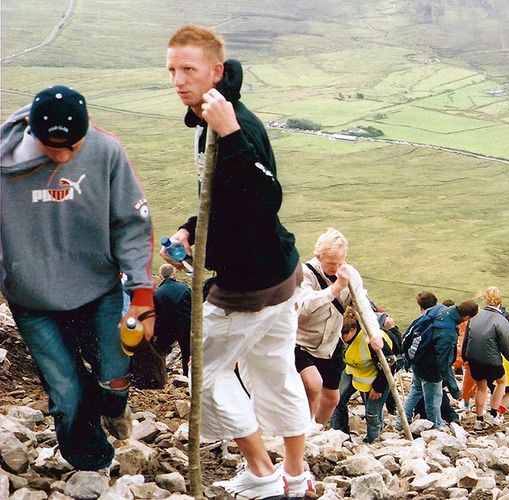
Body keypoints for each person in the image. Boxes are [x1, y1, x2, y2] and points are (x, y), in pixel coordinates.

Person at [163, 25, 313, 498]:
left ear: (216, 71)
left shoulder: (235, 125)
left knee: (204, 376)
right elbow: (223, 201)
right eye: (172, 70)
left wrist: (229, 135)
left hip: (248, 285)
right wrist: (191, 228)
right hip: (280, 272)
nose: (178, 80)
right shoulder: (211, 118)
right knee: (274, 370)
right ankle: (294, 474)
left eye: (189, 69)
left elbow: (265, 196)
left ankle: (263, 473)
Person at [0, 86, 155, 470]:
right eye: (55, 149)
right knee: (66, 394)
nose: (66, 156)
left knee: (114, 376)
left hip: (100, 288)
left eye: (74, 146)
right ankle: (91, 465)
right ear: (33, 133)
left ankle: (112, 405)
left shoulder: (106, 151)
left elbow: (132, 225)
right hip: (32, 300)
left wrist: (141, 293)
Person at [295, 228, 380, 428]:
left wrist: (373, 334)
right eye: (331, 263)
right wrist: (335, 288)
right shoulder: (304, 272)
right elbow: (305, 305)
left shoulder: (351, 275)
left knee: (332, 398)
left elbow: (363, 306)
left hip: (330, 343)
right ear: (319, 256)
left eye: (340, 262)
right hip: (300, 340)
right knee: (312, 384)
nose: (336, 268)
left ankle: (318, 429)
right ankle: (302, 430)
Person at [400, 292, 478, 429]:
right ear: (466, 317)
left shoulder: (438, 309)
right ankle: (436, 428)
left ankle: (401, 422)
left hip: (418, 360)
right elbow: (443, 363)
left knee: (415, 391)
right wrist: (454, 390)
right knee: (433, 401)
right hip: (431, 368)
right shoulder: (448, 332)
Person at [330, 307, 394, 442]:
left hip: (376, 375)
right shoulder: (341, 338)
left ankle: (373, 440)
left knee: (371, 412)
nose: (342, 338)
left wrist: (378, 388)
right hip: (353, 370)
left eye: (344, 334)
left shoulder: (370, 340)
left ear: (353, 329)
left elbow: (389, 364)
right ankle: (338, 435)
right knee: (336, 401)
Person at [462, 287, 509, 430]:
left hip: (474, 358)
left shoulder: (474, 318)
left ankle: (479, 419)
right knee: (502, 381)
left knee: (481, 387)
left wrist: (466, 357)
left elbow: (466, 340)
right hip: (492, 359)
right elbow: (505, 345)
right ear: (500, 301)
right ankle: (493, 413)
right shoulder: (501, 320)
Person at [153, 264, 192, 375]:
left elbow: (155, 314)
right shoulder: (185, 288)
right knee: (186, 353)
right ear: (174, 275)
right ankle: (186, 374)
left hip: (165, 328)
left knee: (159, 350)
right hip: (185, 327)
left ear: (161, 277)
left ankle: (160, 373)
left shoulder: (157, 293)